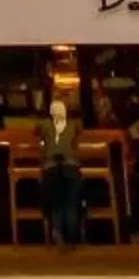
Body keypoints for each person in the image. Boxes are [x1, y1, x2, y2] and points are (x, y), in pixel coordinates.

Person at [39, 97, 85, 246]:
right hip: (70, 167)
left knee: (56, 202)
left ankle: (57, 231)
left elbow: (34, 132)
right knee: (71, 201)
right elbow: (79, 136)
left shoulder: (44, 125)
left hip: (51, 167)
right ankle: (72, 234)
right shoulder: (74, 125)